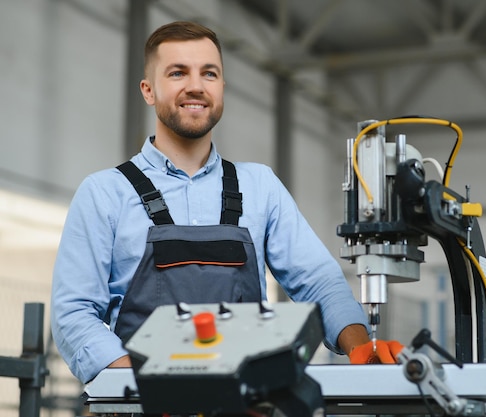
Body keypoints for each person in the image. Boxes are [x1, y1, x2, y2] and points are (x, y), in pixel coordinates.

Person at [51, 20, 400, 385]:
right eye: (177, 73)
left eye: (209, 73)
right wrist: (143, 387)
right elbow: (73, 314)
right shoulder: (104, 194)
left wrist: (360, 346)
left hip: (247, 403)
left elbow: (319, 281)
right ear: (148, 90)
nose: (196, 86)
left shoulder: (260, 186)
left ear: (222, 87)